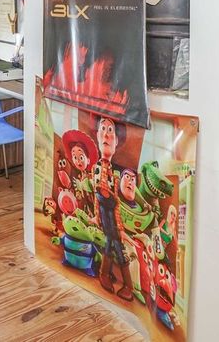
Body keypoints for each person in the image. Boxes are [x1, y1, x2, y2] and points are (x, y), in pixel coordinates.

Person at [91, 117, 134, 300]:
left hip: (112, 221)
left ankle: (122, 283)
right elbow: (97, 196)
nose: (106, 135)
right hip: (104, 216)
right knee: (112, 244)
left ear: (116, 142)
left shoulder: (115, 177)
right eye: (103, 129)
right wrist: (96, 216)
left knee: (115, 244)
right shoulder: (96, 169)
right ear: (97, 136)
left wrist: (121, 228)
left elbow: (116, 204)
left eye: (111, 131)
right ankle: (108, 276)